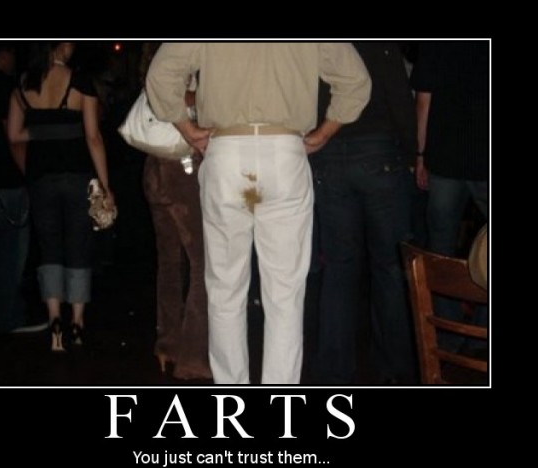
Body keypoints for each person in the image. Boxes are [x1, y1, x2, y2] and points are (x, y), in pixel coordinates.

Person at [146, 43, 371, 384]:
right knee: (285, 294)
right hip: (285, 152)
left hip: (226, 151)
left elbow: (161, 76)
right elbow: (355, 80)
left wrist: (187, 129)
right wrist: (324, 133)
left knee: (225, 289)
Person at [310, 42, 418, 385]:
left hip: (327, 149)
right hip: (378, 151)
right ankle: (394, 367)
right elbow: (398, 96)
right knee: (389, 266)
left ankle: (334, 368)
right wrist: (413, 153)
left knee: (339, 265)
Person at [7, 42, 115, 351]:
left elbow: (14, 135)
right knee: (79, 247)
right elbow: (93, 137)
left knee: (49, 249)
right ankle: (77, 322)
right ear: (63, 45)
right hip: (78, 178)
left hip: (41, 180)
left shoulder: (24, 83)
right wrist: (105, 187)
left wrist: (42, 133)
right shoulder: (80, 82)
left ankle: (55, 322)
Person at [139, 43, 211, 380]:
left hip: (154, 168)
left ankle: (167, 345)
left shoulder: (153, 65)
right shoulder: (183, 68)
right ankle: (194, 358)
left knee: (168, 263)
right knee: (202, 264)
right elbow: (187, 101)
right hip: (182, 171)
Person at [411, 41, 489, 352]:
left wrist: (420, 153)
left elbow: (424, 100)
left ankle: (448, 333)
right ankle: (482, 330)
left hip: (445, 156)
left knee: (440, 247)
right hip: (484, 155)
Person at [0, 42, 46, 335]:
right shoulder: (4, 87)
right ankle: (7, 315)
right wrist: (29, 175)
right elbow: (13, 136)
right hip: (6, 180)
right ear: (4, 53)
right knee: (9, 253)